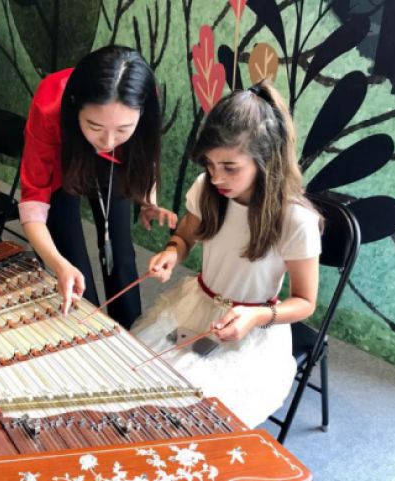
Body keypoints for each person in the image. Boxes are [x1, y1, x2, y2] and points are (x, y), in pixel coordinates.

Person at [131, 80, 322, 428]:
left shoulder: (295, 220)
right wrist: (173, 251)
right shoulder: (207, 189)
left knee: (197, 417)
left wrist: (256, 316)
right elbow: (185, 235)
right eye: (210, 164)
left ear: (266, 159)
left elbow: (305, 303)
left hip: (253, 325)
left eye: (230, 167)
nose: (217, 178)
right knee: (141, 381)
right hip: (196, 305)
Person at [19, 45, 177, 329]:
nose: (108, 141)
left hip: (115, 166)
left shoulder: (142, 94)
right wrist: (59, 265)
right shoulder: (50, 104)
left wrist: (147, 198)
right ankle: (88, 332)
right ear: (75, 108)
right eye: (95, 126)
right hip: (65, 157)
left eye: (123, 129)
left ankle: (129, 333)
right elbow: (34, 205)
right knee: (72, 264)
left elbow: (144, 152)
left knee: (121, 252)